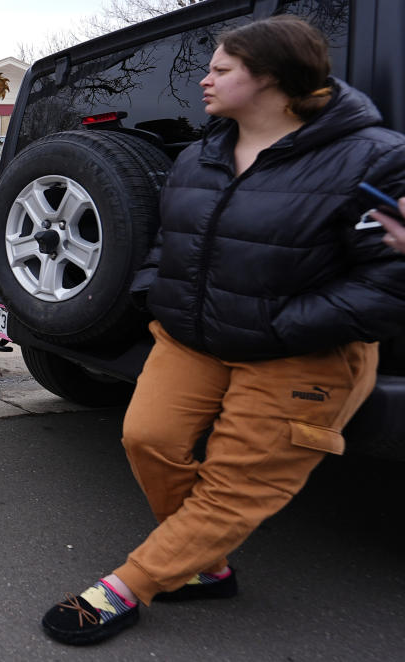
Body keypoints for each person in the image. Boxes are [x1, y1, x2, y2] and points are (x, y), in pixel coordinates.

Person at [41, 16, 405, 646]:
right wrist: (160, 289)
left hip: (303, 353)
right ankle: (203, 566)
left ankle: (135, 583)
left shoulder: (376, 158)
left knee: (235, 486)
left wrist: (282, 323)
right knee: (148, 439)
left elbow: (387, 282)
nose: (203, 78)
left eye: (222, 68)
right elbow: (167, 238)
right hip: (194, 337)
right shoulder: (202, 152)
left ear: (271, 78)